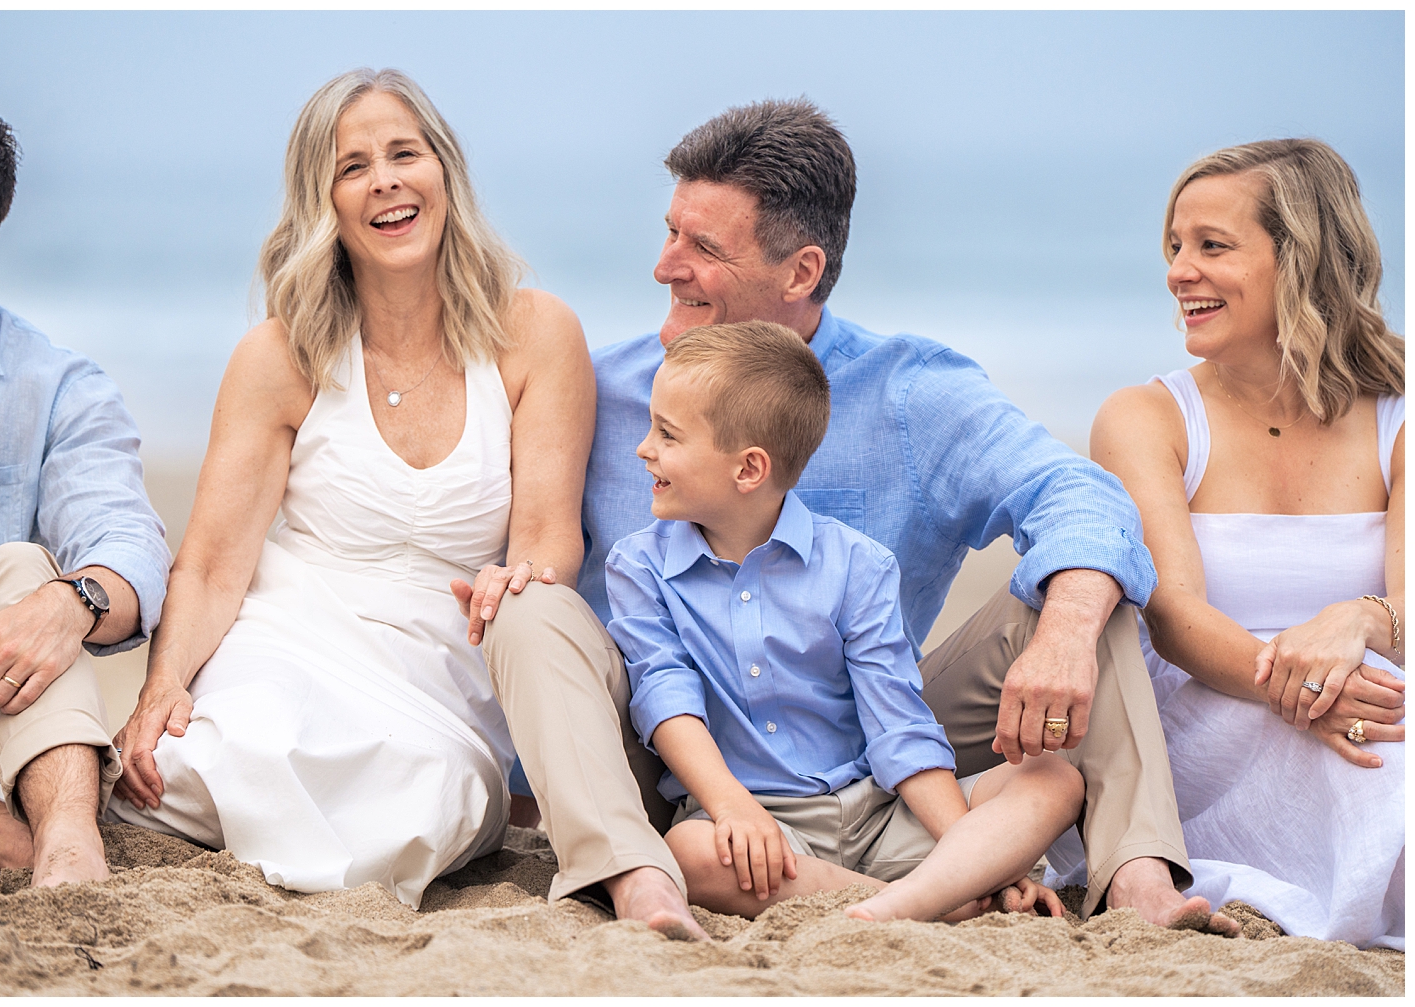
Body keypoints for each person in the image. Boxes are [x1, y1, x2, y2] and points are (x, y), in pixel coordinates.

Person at [483, 98, 1237, 936]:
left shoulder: (911, 393)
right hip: (667, 762)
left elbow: (1084, 497)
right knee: (527, 601)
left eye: (703, 246)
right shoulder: (603, 388)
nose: (664, 266)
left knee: (1087, 593)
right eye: (670, 232)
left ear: (801, 271)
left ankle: (1136, 881)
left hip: (874, 752)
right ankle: (644, 875)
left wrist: (1061, 632)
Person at [107, 68, 596, 907]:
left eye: (406, 153)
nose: (387, 181)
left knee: (426, 801)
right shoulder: (280, 352)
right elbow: (216, 562)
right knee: (220, 750)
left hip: (442, 669)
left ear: (446, 171)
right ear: (323, 201)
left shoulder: (535, 333)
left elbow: (549, 540)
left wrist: (516, 583)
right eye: (354, 166)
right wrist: (162, 689)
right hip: (291, 629)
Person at [605, 320, 1081, 923]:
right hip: (763, 828)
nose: (644, 447)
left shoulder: (858, 564)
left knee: (1053, 781)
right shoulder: (639, 567)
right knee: (689, 852)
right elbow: (665, 695)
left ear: (749, 469)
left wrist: (974, 852)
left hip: (877, 811)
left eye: (667, 434)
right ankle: (921, 900)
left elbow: (898, 725)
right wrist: (731, 808)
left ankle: (937, 889)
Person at [1091, 139, 1404, 950]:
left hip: (1373, 692)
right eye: (1174, 247)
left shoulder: (1398, 415)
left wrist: (1358, 621)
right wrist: (1300, 688)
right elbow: (1173, 617)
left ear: (1301, 259)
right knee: (1377, 771)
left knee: (1388, 737)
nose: (1178, 272)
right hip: (1213, 708)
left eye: (1212, 246)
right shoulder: (1145, 416)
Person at [0, 80, 171, 887]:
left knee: (26, 574)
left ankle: (69, 844)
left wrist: (73, 603)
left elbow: (127, 546)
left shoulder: (55, 384)